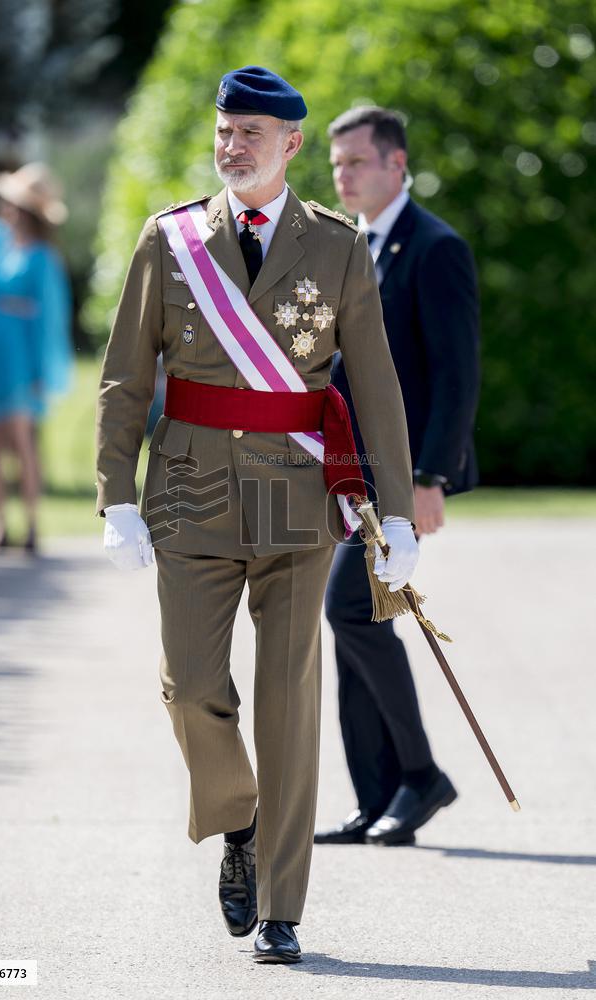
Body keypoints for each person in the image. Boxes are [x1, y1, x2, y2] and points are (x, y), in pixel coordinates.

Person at [96, 67, 419, 964]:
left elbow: (378, 386)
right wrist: (115, 494)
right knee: (193, 687)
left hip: (294, 493)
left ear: (292, 145)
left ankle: (282, 902)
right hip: (192, 489)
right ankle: (238, 817)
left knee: (288, 700)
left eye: (250, 133)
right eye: (224, 130)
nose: (231, 146)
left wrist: (396, 513)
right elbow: (127, 376)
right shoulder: (170, 240)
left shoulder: (338, 245)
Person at [314, 106, 480, 848]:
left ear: (395, 165)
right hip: (352, 473)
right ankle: (378, 794)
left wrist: (431, 475)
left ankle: (421, 776)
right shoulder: (350, 247)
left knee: (349, 610)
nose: (341, 174)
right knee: (361, 621)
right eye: (336, 162)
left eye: (355, 161)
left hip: (403, 472)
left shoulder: (435, 248)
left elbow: (458, 376)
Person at [0, 163, 73, 552]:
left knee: (20, 438)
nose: (6, 209)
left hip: (20, 356)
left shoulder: (43, 256)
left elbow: (51, 318)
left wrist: (41, 371)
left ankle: (30, 523)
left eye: (15, 204)